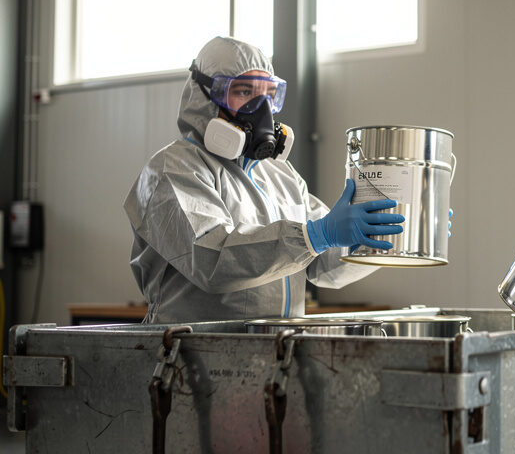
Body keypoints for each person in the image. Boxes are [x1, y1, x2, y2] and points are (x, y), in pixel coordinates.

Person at [124, 36, 404, 324]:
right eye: (244, 91)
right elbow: (212, 261)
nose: (262, 108)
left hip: (277, 350)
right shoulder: (172, 170)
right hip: (192, 354)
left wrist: (385, 236)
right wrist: (316, 235)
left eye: (270, 94)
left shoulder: (281, 175)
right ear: (205, 96)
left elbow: (322, 265)